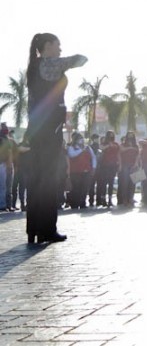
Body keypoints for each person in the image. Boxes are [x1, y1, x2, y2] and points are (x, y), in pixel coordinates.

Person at [24, 32, 87, 244]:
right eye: (58, 45)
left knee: (37, 180)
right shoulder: (49, 64)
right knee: (49, 181)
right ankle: (47, 229)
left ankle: (34, 228)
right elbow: (79, 59)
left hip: (39, 129)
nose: (60, 49)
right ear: (48, 46)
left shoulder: (34, 67)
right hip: (49, 130)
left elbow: (31, 104)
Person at [66, 132, 95, 209]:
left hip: (87, 171)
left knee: (84, 188)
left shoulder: (88, 148)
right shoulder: (71, 148)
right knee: (76, 188)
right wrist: (81, 150)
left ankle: (82, 203)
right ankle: (75, 203)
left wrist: (93, 167)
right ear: (75, 140)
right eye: (79, 139)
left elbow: (93, 158)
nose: (81, 140)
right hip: (75, 172)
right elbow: (72, 155)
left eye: (82, 139)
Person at [96, 131, 120, 207]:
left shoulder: (116, 144)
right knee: (104, 183)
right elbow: (100, 148)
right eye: (110, 135)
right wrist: (108, 145)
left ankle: (110, 199)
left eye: (112, 135)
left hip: (113, 166)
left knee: (111, 183)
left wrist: (119, 164)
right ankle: (103, 199)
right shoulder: (104, 144)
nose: (111, 137)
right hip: (104, 166)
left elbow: (118, 153)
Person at [118, 132, 140, 208]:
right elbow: (120, 152)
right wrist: (129, 148)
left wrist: (136, 163)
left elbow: (138, 154)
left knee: (133, 183)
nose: (130, 137)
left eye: (132, 136)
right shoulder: (123, 144)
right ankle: (125, 199)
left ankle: (131, 198)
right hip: (125, 165)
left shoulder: (136, 145)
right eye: (129, 136)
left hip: (134, 166)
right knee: (125, 182)